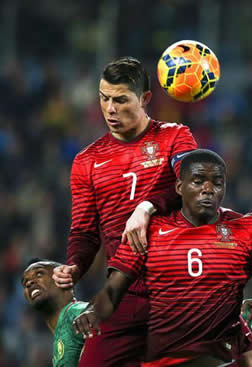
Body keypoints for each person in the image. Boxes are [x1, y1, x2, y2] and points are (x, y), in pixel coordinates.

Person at [72, 149, 252, 367]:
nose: (208, 189)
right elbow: (114, 291)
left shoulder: (249, 227)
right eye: (198, 181)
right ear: (179, 187)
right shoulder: (150, 231)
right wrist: (93, 312)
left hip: (219, 353)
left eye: (217, 183)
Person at [52, 56, 198, 367]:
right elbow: (84, 231)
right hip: (124, 291)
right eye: (104, 98)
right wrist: (75, 267)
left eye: (120, 100)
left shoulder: (175, 137)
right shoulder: (87, 161)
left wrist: (147, 206)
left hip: (177, 286)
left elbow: (192, 183)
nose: (110, 109)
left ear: (145, 99)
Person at [22, 258, 88, 367]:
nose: (29, 283)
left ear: (63, 278)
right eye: (25, 283)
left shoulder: (77, 312)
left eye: (39, 274)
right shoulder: (59, 336)